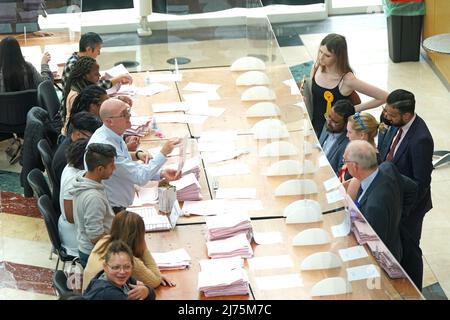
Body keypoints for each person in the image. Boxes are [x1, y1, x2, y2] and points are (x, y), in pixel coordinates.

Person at [377, 89, 434, 291]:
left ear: (407, 115)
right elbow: (385, 153)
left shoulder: (421, 140)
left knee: (410, 249)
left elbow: (421, 183)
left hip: (410, 206)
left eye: (391, 115)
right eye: (386, 111)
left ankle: (415, 291)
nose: (386, 117)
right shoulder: (394, 124)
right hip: (392, 197)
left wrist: (404, 213)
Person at [87, 98, 181, 212]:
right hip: (112, 209)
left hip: (119, 203)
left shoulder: (113, 133)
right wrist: (163, 153)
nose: (129, 116)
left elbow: (129, 167)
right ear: (109, 121)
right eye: (124, 114)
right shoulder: (105, 145)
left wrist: (160, 173)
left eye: (128, 111)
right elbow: (139, 177)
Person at [344, 140, 417, 262]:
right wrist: (396, 216)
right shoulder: (387, 168)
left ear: (355, 166)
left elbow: (373, 249)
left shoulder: (374, 207)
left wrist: (398, 216)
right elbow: (412, 188)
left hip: (382, 261)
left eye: (345, 162)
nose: (345, 165)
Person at [310, 33, 388, 135]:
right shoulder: (317, 67)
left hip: (337, 132)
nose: (321, 57)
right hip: (315, 126)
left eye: (327, 55)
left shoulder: (347, 80)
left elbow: (384, 96)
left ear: (338, 57)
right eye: (320, 52)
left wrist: (354, 109)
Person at [83, 210, 175, 292]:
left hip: (87, 294)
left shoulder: (104, 240)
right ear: (138, 237)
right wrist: (143, 247)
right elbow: (156, 280)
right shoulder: (126, 259)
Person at [70, 143, 117, 267]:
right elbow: (96, 236)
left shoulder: (83, 178)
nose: (114, 169)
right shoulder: (93, 198)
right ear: (100, 169)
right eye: (112, 166)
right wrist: (119, 243)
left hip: (92, 247)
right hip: (96, 253)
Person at [52, 112, 103, 213]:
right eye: (92, 137)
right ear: (78, 134)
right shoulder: (67, 159)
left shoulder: (76, 148)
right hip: (72, 208)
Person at [82, 240, 155, 300]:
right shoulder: (107, 292)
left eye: (127, 267)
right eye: (116, 267)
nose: (122, 272)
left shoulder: (123, 279)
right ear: (105, 267)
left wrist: (146, 290)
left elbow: (151, 294)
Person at [62, 32, 132, 90]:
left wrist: (98, 79)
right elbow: (93, 88)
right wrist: (119, 78)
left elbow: (91, 84)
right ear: (89, 49)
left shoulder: (81, 60)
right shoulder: (74, 66)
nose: (99, 53)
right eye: (98, 50)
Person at [57, 138, 89, 257]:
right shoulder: (73, 179)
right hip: (75, 237)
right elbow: (71, 217)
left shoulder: (71, 166)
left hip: (75, 228)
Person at [339, 112, 380, 199]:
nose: (347, 135)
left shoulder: (367, 161)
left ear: (362, 135)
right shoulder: (358, 152)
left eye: (349, 132)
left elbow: (350, 197)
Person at [60, 56, 101, 135]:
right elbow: (84, 122)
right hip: (75, 136)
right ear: (85, 75)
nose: (99, 75)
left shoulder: (85, 87)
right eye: (96, 74)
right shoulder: (76, 95)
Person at [318, 99, 354, 174]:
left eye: (335, 122)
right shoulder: (329, 123)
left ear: (346, 124)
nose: (328, 122)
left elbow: (339, 175)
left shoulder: (349, 145)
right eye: (329, 116)